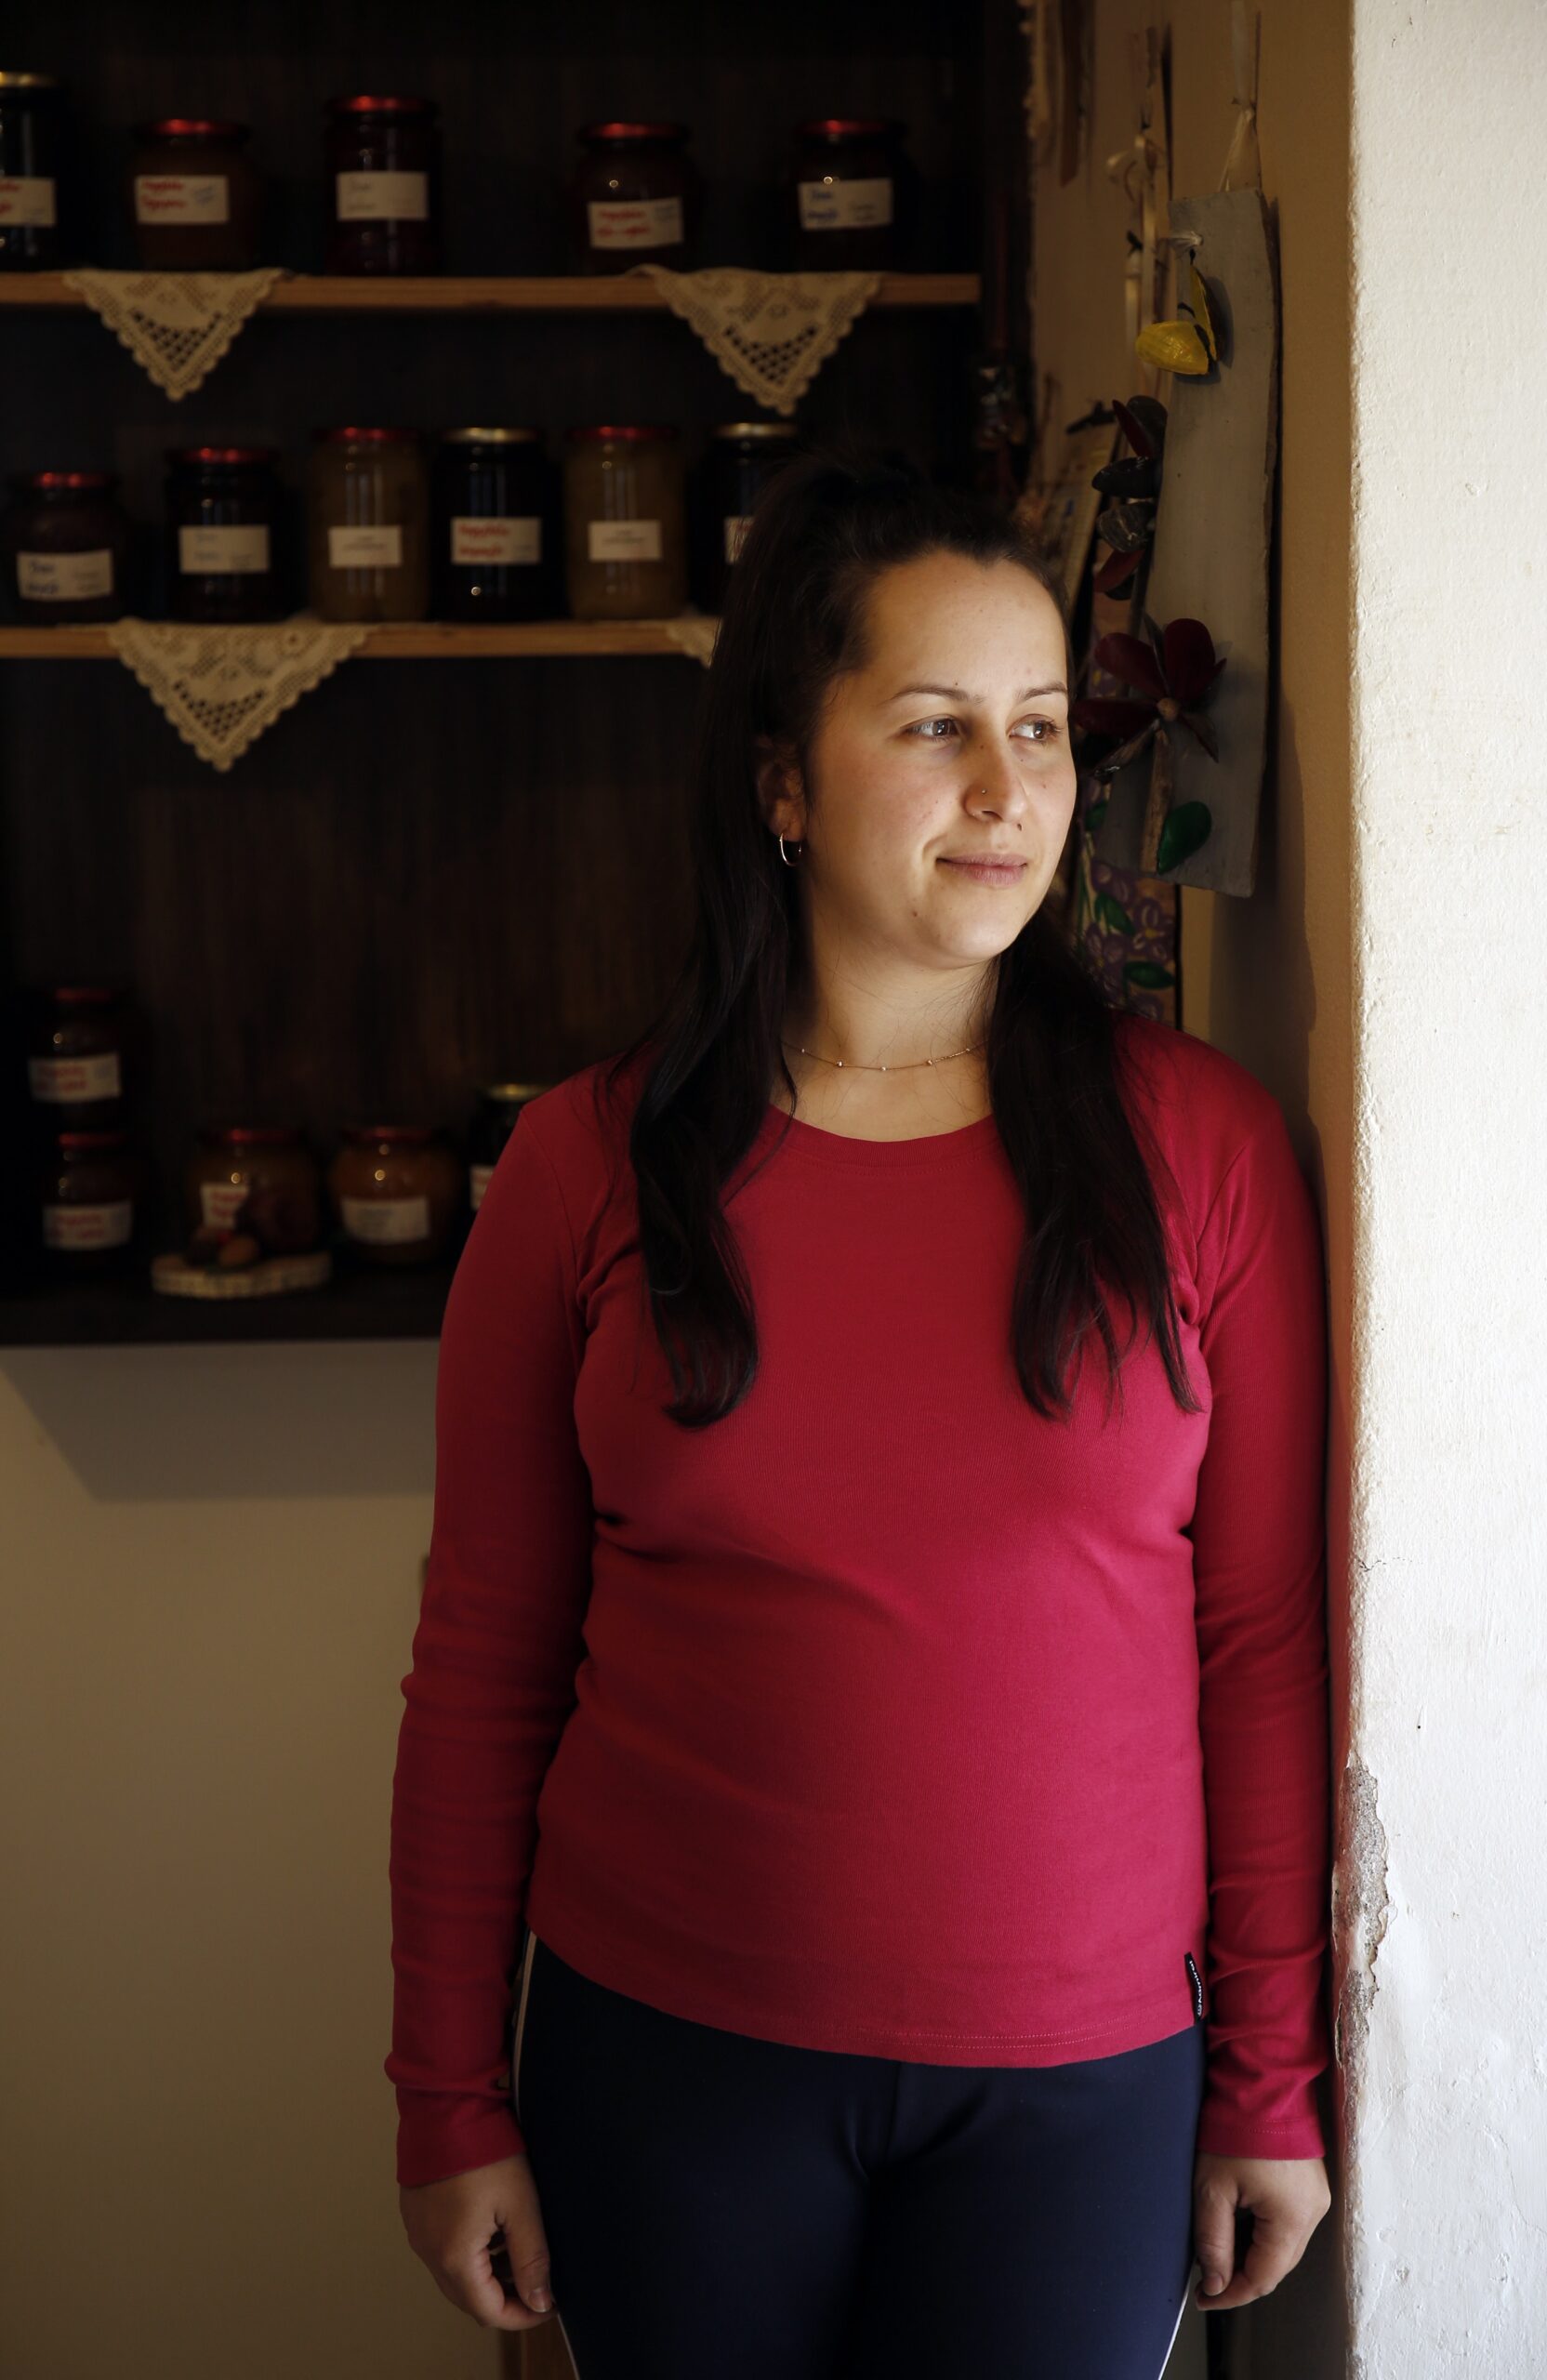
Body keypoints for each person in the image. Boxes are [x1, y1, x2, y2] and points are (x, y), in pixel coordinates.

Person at [387, 443, 1334, 2378]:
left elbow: (1255, 1647)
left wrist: (1269, 2074)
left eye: (1042, 726)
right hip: (667, 2057)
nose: (1008, 788)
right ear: (781, 781)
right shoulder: (586, 1165)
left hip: (1082, 2081)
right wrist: (447, 2091)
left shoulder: (1204, 1149)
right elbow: (485, 1660)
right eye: (933, 725)